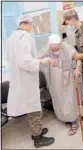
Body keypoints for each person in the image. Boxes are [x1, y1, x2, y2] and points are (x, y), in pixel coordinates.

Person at [6, 14, 55, 148]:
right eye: (31, 25)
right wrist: (43, 61)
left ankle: (36, 131)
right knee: (34, 109)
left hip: (19, 80)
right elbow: (25, 62)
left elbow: (21, 58)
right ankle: (37, 138)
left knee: (31, 107)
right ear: (27, 24)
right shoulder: (25, 37)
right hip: (26, 80)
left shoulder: (12, 38)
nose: (31, 28)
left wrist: (36, 58)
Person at [38, 34, 81, 136]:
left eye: (57, 48)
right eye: (53, 49)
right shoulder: (47, 48)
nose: (55, 50)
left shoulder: (67, 47)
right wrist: (47, 60)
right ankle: (66, 118)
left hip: (68, 75)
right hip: (54, 78)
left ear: (60, 43)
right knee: (59, 99)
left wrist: (77, 68)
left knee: (69, 99)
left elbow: (78, 58)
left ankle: (74, 121)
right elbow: (38, 59)